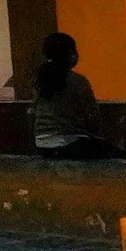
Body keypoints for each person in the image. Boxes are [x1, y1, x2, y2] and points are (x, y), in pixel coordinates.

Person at [31, 32, 117, 160]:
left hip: (42, 145)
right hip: (72, 144)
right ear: (70, 54)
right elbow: (92, 116)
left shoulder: (39, 81)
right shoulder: (78, 81)